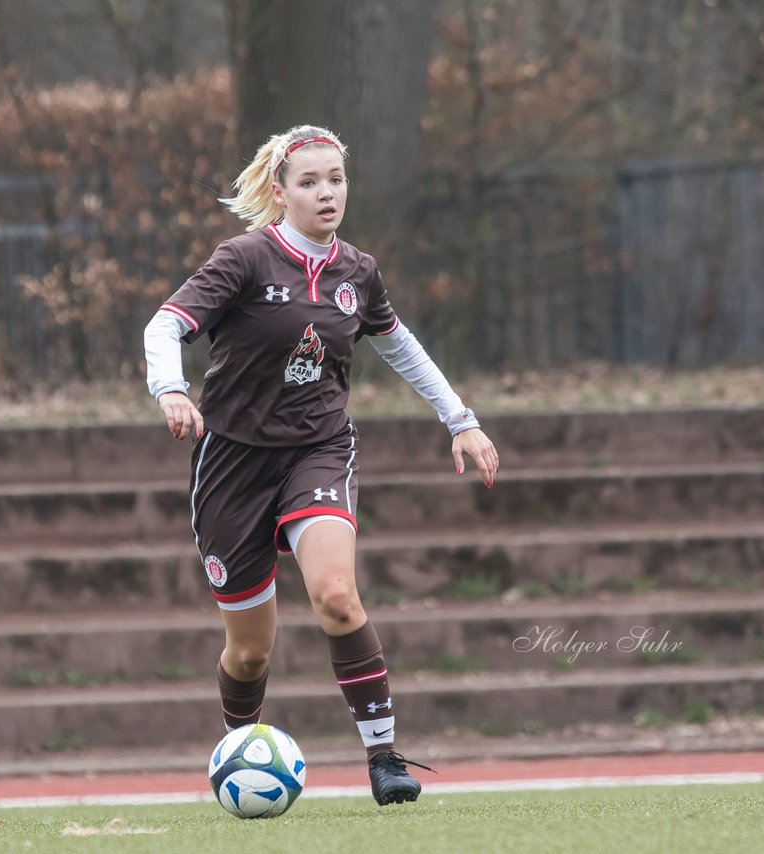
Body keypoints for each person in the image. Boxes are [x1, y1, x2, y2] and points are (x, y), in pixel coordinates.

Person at [144, 125, 499, 806]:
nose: (326, 192)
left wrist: (463, 421)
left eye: (334, 178)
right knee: (249, 652)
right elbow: (165, 325)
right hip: (234, 465)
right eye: (309, 181)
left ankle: (385, 759)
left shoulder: (357, 272)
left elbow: (401, 347)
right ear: (280, 194)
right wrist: (171, 388)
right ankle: (240, 753)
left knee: (337, 596)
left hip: (319, 449)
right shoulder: (245, 258)